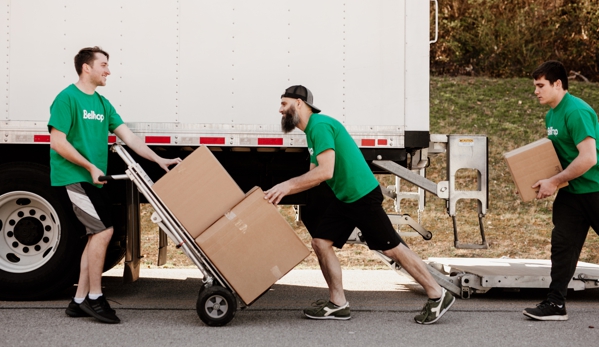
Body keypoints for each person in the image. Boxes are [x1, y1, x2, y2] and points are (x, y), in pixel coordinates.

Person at [264, 85, 455, 324]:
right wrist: (280, 192)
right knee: (320, 242)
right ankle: (337, 303)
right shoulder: (313, 131)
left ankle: (438, 294)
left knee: (391, 247)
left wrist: (286, 186)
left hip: (361, 196)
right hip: (345, 198)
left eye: (284, 104)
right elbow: (314, 174)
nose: (280, 109)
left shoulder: (320, 125)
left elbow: (325, 171)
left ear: (299, 103)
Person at [48, 47, 181, 324]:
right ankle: (95, 298)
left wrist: (159, 160)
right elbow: (58, 142)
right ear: (87, 68)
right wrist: (89, 166)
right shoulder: (66, 99)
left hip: (94, 180)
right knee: (103, 231)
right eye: (104, 65)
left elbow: (130, 138)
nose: (108, 70)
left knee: (97, 234)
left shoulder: (102, 104)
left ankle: (79, 300)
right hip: (75, 178)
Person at [523, 61, 599, 321]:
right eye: (535, 86)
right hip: (572, 193)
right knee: (562, 246)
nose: (536, 91)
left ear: (558, 84)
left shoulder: (576, 111)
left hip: (595, 190)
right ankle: (555, 304)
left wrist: (554, 181)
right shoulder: (551, 114)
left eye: (540, 85)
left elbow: (589, 158)